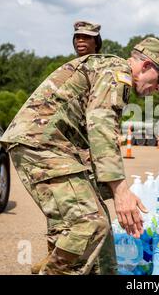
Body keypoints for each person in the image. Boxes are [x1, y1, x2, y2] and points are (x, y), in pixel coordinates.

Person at [0, 37, 159, 275]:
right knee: (90, 224)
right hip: (41, 144)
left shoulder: (108, 71)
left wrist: (111, 190)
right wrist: (120, 191)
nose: (158, 89)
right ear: (146, 66)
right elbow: (100, 128)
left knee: (92, 226)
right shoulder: (118, 73)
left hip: (54, 146)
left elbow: (90, 138)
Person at [30, 20, 104, 275]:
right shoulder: (69, 69)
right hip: (62, 144)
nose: (80, 41)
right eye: (77, 37)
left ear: (97, 42)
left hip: (82, 145)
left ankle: (77, 262)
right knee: (61, 209)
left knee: (84, 211)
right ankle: (54, 259)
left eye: (86, 37)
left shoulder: (100, 68)